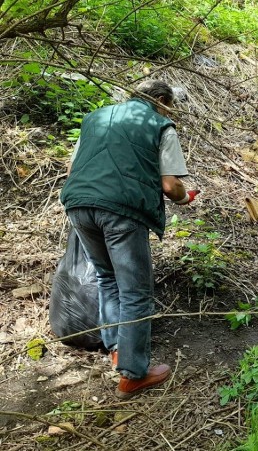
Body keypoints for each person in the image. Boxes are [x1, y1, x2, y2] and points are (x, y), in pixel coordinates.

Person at [60, 80, 197, 399]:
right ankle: (134, 374)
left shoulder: (95, 118)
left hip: (78, 203)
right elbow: (169, 185)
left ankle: (119, 350)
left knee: (107, 278)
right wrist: (186, 197)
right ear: (161, 100)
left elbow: (73, 169)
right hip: (122, 209)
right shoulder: (161, 124)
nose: (169, 111)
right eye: (169, 105)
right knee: (136, 290)